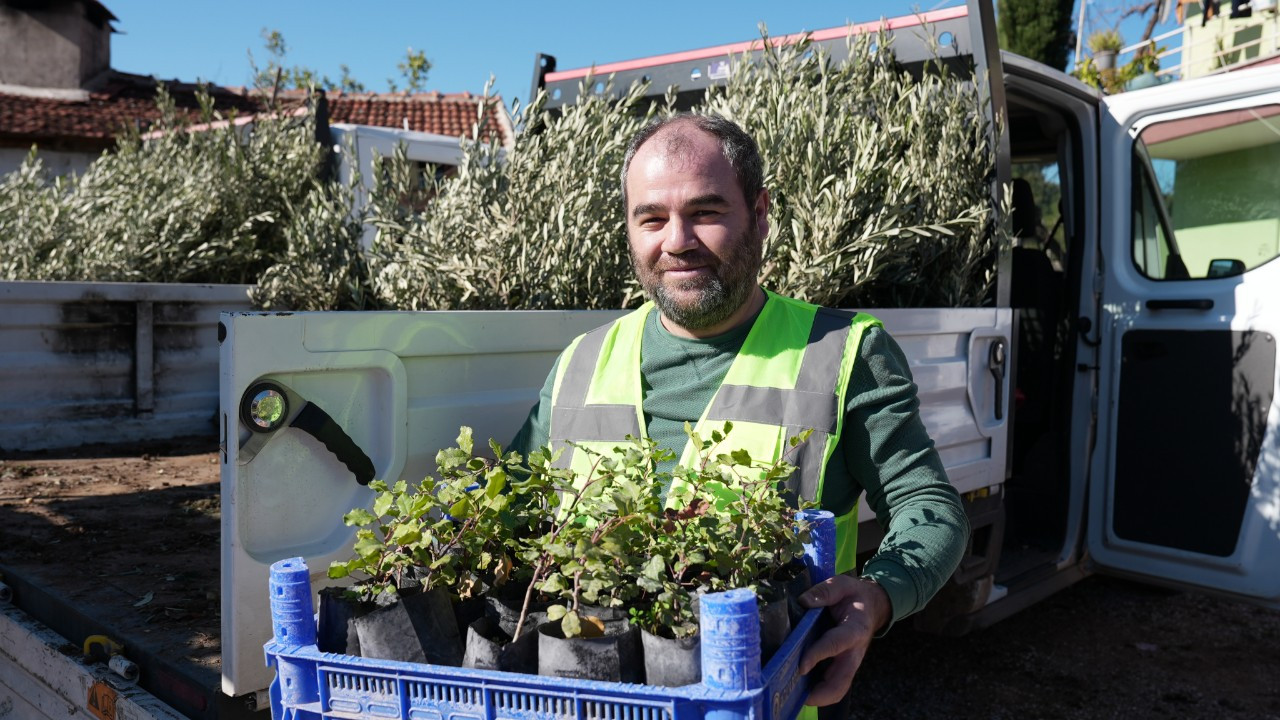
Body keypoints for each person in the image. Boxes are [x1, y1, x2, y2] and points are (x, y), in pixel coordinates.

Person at [511, 113, 968, 710]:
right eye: (651, 218)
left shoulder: (843, 353)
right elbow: (518, 513)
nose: (676, 241)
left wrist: (878, 596)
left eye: (705, 212)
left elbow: (927, 507)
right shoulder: (580, 361)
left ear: (760, 212)